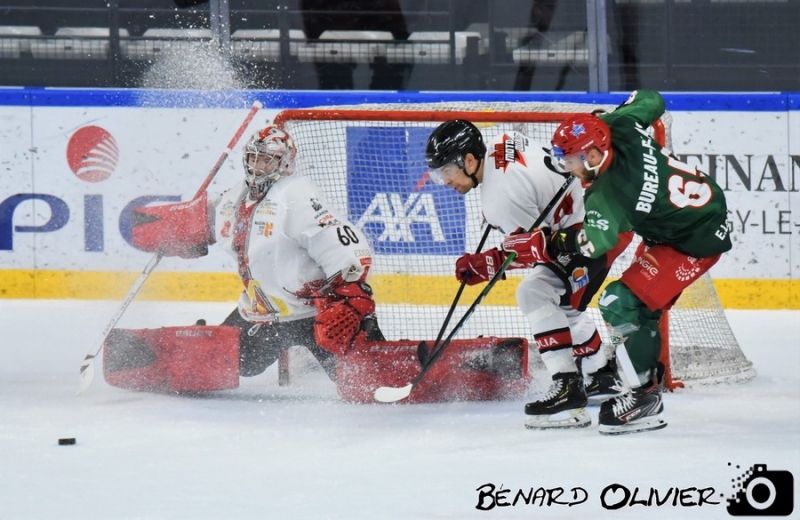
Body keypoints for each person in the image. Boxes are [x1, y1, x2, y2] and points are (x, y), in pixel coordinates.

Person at [533, 89, 733, 434]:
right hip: (689, 214)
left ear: (595, 154)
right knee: (640, 310)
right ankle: (644, 384)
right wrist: (607, 118)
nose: (570, 169)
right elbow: (651, 98)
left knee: (619, 303)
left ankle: (644, 397)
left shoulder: (608, 194)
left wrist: (551, 241)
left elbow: (595, 244)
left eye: (573, 161)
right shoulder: (621, 125)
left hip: (694, 238)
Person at [131, 125, 385, 383]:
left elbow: (348, 247)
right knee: (223, 363)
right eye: (253, 158)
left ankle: (385, 363)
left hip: (313, 314)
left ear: (284, 163)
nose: (257, 165)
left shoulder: (295, 196)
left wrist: (350, 300)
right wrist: (180, 225)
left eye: (265, 159)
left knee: (363, 379)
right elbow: (214, 217)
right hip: (262, 317)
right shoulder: (238, 194)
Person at [425, 120, 631, 430]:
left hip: (592, 236)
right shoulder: (498, 141)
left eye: (446, 172)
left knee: (535, 293)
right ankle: (601, 376)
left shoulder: (501, 198)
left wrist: (487, 263)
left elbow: (537, 249)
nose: (445, 181)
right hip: (602, 219)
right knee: (564, 306)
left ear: (469, 160)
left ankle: (568, 391)